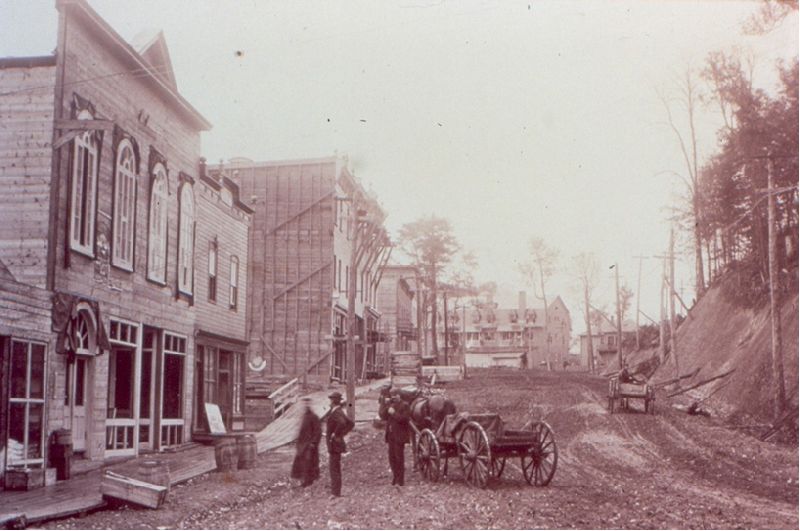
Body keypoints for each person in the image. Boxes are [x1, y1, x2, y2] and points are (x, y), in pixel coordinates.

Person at [325, 391, 354, 497]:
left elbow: (343, 423)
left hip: (334, 444)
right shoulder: (339, 411)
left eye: (331, 400)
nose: (329, 402)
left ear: (333, 401)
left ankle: (335, 493)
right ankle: (336, 491)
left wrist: (336, 434)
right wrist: (341, 434)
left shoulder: (336, 412)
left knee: (334, 468)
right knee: (335, 467)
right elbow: (350, 424)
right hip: (337, 443)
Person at [382, 389, 411, 486]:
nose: (393, 397)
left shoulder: (405, 405)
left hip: (399, 436)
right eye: (392, 396)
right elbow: (382, 416)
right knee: (392, 457)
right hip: (391, 435)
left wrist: (393, 413)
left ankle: (400, 480)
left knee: (399, 458)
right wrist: (384, 404)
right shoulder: (391, 405)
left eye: (395, 395)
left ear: (399, 395)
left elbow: (404, 419)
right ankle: (395, 476)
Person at [291, 397, 321, 487]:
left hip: (309, 445)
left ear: (310, 405)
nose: (305, 406)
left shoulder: (314, 417)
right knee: (301, 463)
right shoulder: (304, 416)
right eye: (304, 404)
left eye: (307, 404)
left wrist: (313, 443)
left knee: (309, 462)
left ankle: (308, 481)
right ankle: (303, 480)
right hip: (302, 444)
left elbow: (318, 431)